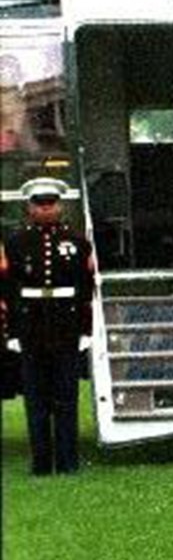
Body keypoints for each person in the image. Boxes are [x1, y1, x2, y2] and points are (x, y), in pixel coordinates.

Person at [1, 177, 95, 475]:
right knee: (36, 399)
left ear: (60, 206)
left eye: (51, 204)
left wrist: (86, 330)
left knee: (66, 398)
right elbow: (8, 290)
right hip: (30, 327)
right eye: (39, 204)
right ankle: (41, 463)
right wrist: (12, 332)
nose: (45, 210)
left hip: (66, 326)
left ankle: (68, 462)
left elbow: (86, 289)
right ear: (29, 208)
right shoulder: (15, 243)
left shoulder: (78, 242)